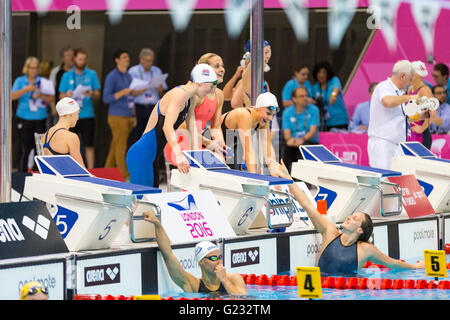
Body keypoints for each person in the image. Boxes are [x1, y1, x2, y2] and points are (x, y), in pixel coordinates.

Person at [271, 160, 425, 275]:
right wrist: (289, 180)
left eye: (355, 218)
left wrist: (415, 267)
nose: (349, 217)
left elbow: (392, 263)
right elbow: (307, 205)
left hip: (350, 292)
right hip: (324, 291)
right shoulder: (330, 232)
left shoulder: (365, 249)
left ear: (359, 230)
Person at [126, 64, 218, 187]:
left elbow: (192, 129)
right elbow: (167, 126)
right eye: (211, 86)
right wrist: (179, 155)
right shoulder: (179, 94)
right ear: (201, 83)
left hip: (151, 159)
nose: (210, 91)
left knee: (151, 201)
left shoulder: (191, 99)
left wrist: (206, 147)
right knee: (143, 201)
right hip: (141, 156)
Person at [143, 209, 247, 294]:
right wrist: (157, 224)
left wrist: (224, 281)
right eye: (213, 258)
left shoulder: (234, 279)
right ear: (201, 261)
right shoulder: (193, 285)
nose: (219, 261)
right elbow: (168, 255)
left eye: (220, 257)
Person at [165, 53, 228, 165]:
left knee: (220, 159)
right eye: (217, 66)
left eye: (222, 66)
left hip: (197, 143)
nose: (222, 69)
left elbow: (216, 127)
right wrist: (207, 142)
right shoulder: (195, 95)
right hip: (180, 142)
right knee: (217, 162)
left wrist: (220, 148)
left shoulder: (220, 95)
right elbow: (183, 127)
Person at [367, 60, 429, 170]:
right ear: (402, 76)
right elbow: (387, 102)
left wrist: (420, 116)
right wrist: (410, 97)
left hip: (397, 145)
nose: (409, 83)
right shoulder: (384, 86)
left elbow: (402, 117)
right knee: (384, 180)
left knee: (395, 181)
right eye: (409, 80)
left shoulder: (399, 93)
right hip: (383, 144)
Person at [103, 49, 144, 180]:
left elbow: (131, 96)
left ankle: (106, 171)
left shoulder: (128, 76)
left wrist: (133, 115)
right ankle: (124, 174)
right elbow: (106, 98)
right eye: (124, 57)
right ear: (117, 60)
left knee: (116, 144)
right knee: (121, 146)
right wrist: (123, 92)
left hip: (127, 114)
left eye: (128, 57)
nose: (127, 59)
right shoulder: (112, 76)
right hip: (116, 116)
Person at [59, 48, 101, 169]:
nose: (82, 61)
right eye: (80, 59)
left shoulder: (91, 74)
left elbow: (98, 93)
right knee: (69, 144)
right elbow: (60, 95)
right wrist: (68, 93)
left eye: (84, 59)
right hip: (71, 116)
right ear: (74, 59)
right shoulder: (67, 75)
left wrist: (91, 93)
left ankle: (91, 171)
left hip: (87, 114)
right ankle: (70, 169)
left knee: (89, 144)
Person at [220, 91, 282, 174]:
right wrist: (254, 179)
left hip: (230, 147)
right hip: (212, 141)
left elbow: (268, 151)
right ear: (257, 108)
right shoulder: (244, 115)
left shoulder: (263, 120)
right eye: (268, 113)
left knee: (236, 174)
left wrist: (275, 177)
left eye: (273, 115)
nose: (271, 118)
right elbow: (248, 150)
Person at [12, 56, 55, 172]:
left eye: (36, 68)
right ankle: (21, 174)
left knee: (39, 149)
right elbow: (11, 96)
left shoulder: (43, 81)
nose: (34, 70)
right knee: (24, 147)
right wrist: (26, 89)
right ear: (27, 68)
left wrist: (41, 95)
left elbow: (52, 98)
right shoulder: (20, 81)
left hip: (40, 119)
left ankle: (37, 174)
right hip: (24, 118)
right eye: (31, 68)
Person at [128, 48, 168, 143]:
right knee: (137, 136)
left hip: (153, 107)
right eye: (147, 61)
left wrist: (160, 89)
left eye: (151, 61)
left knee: (152, 136)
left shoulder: (157, 71)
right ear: (141, 59)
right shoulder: (133, 71)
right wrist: (147, 86)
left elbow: (163, 94)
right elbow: (130, 93)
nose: (150, 63)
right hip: (139, 107)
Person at [282, 87, 320, 172]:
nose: (305, 98)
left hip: (309, 141)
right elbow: (287, 135)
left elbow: (313, 131)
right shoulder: (287, 112)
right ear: (294, 99)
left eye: (306, 95)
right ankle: (287, 177)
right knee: (287, 147)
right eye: (301, 96)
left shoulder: (314, 110)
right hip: (293, 142)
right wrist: (293, 140)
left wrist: (302, 139)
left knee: (303, 148)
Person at [41, 97, 85, 167]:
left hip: (50, 177)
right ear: (70, 115)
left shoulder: (46, 134)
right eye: (77, 114)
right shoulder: (71, 137)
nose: (78, 118)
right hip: (65, 177)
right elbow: (81, 169)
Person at [231, 40, 271, 109]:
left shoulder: (262, 80)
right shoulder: (248, 76)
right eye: (266, 52)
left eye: (269, 52)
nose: (268, 56)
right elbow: (235, 103)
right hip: (253, 117)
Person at [310, 61, 349, 131]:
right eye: (319, 72)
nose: (321, 75)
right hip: (324, 122)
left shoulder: (334, 80)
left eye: (324, 72)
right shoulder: (314, 88)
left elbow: (336, 89)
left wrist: (333, 96)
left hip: (339, 120)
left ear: (328, 73)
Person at [407, 61, 434, 149]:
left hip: (421, 136)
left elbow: (431, 113)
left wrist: (422, 128)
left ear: (417, 75)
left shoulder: (424, 91)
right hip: (411, 134)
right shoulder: (410, 89)